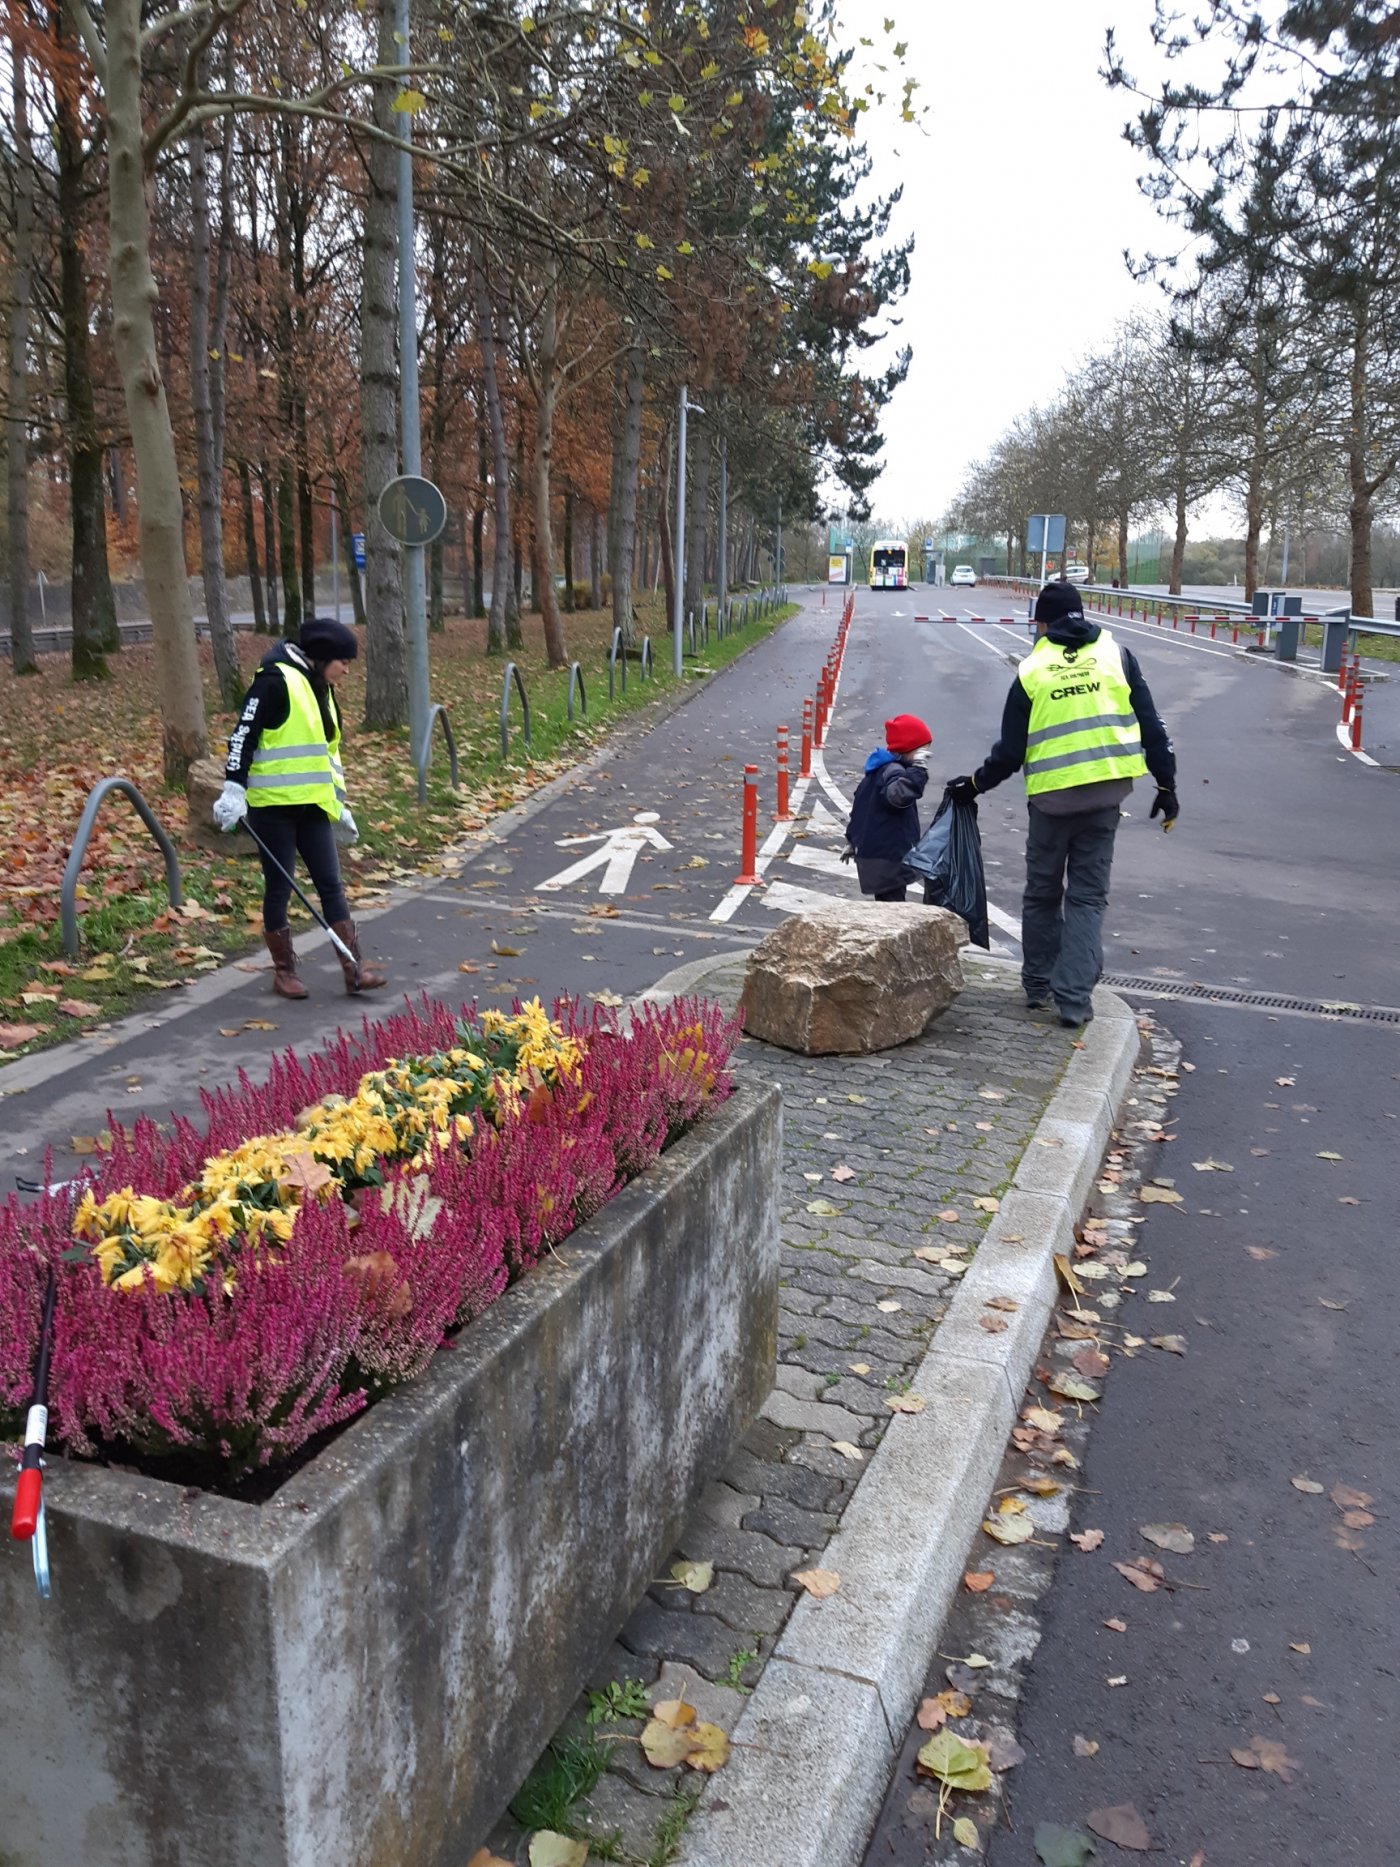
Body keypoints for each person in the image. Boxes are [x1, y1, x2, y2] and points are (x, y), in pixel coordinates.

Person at [948, 582, 1177, 1027]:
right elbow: (1151, 725)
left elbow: (1010, 753)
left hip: (1051, 802)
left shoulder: (1033, 670)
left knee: (1042, 893)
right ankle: (1074, 1000)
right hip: (1105, 797)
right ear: (1082, 613)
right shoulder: (1117, 656)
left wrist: (974, 785)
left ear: (1042, 623)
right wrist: (1166, 785)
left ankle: (1037, 985)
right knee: (1088, 900)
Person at [212, 617, 387, 1000]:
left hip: (312, 806)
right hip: (273, 808)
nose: (347, 669)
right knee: (281, 886)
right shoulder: (273, 681)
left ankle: (353, 968)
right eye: (343, 661)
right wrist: (233, 790)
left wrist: (338, 805)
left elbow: (326, 751)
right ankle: (284, 972)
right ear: (322, 657)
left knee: (330, 883)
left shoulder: (321, 686)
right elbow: (242, 736)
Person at [843, 713, 934, 902]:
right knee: (893, 908)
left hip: (878, 857)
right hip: (887, 858)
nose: (926, 755)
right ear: (908, 749)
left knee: (886, 903)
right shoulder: (895, 773)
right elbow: (899, 796)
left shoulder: (878, 772)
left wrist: (853, 840)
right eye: (922, 750)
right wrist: (919, 768)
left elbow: (862, 809)